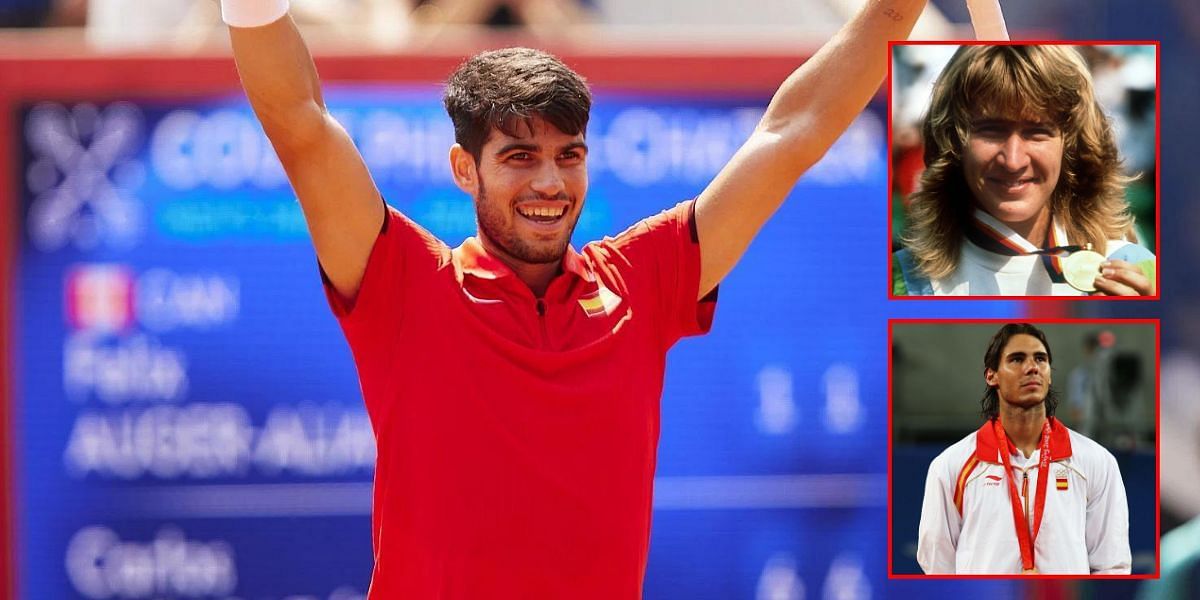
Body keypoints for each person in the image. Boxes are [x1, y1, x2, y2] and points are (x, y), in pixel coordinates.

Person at [220, 0, 929, 596]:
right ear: (464, 168)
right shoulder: (404, 283)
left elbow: (791, 132)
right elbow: (301, 124)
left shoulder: (642, 279)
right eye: (520, 157)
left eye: (570, 154)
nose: (551, 183)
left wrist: (896, 10)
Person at [892, 45, 1156, 296]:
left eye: (1037, 132)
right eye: (991, 131)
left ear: (1072, 145)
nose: (1013, 161)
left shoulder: (1137, 271)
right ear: (952, 142)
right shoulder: (900, 280)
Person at [916, 323, 1131, 574]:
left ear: (1049, 374)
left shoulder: (1096, 461)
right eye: (1017, 359)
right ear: (991, 375)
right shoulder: (951, 466)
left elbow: (1111, 565)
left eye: (1040, 359)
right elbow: (937, 566)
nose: (1032, 368)